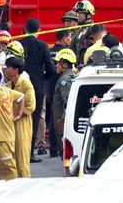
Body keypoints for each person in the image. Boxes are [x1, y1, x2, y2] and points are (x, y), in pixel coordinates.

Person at [18, 18, 54, 163]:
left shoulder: (19, 43)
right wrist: (42, 77)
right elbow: (51, 68)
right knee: (33, 120)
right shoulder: (43, 45)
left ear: (25, 28)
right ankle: (29, 153)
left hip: (19, 87)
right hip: (37, 88)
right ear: (39, 30)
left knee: (18, 118)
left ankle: (18, 151)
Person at [4, 56, 36, 178]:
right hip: (9, 124)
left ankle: (24, 182)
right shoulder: (6, 86)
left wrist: (19, 114)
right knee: (11, 157)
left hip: (22, 123)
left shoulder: (26, 85)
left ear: (16, 70)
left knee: (22, 156)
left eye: (8, 68)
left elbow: (31, 106)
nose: (6, 70)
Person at [44, 28, 71, 158]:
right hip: (60, 88)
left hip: (50, 88)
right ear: (64, 37)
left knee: (53, 119)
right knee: (59, 119)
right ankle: (61, 149)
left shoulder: (49, 51)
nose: (70, 40)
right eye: (69, 37)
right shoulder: (67, 53)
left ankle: (54, 149)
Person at [52, 48, 77, 148]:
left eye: (58, 63)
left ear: (65, 65)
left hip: (61, 119)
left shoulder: (65, 80)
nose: (56, 66)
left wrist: (63, 120)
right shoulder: (72, 76)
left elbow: (66, 101)